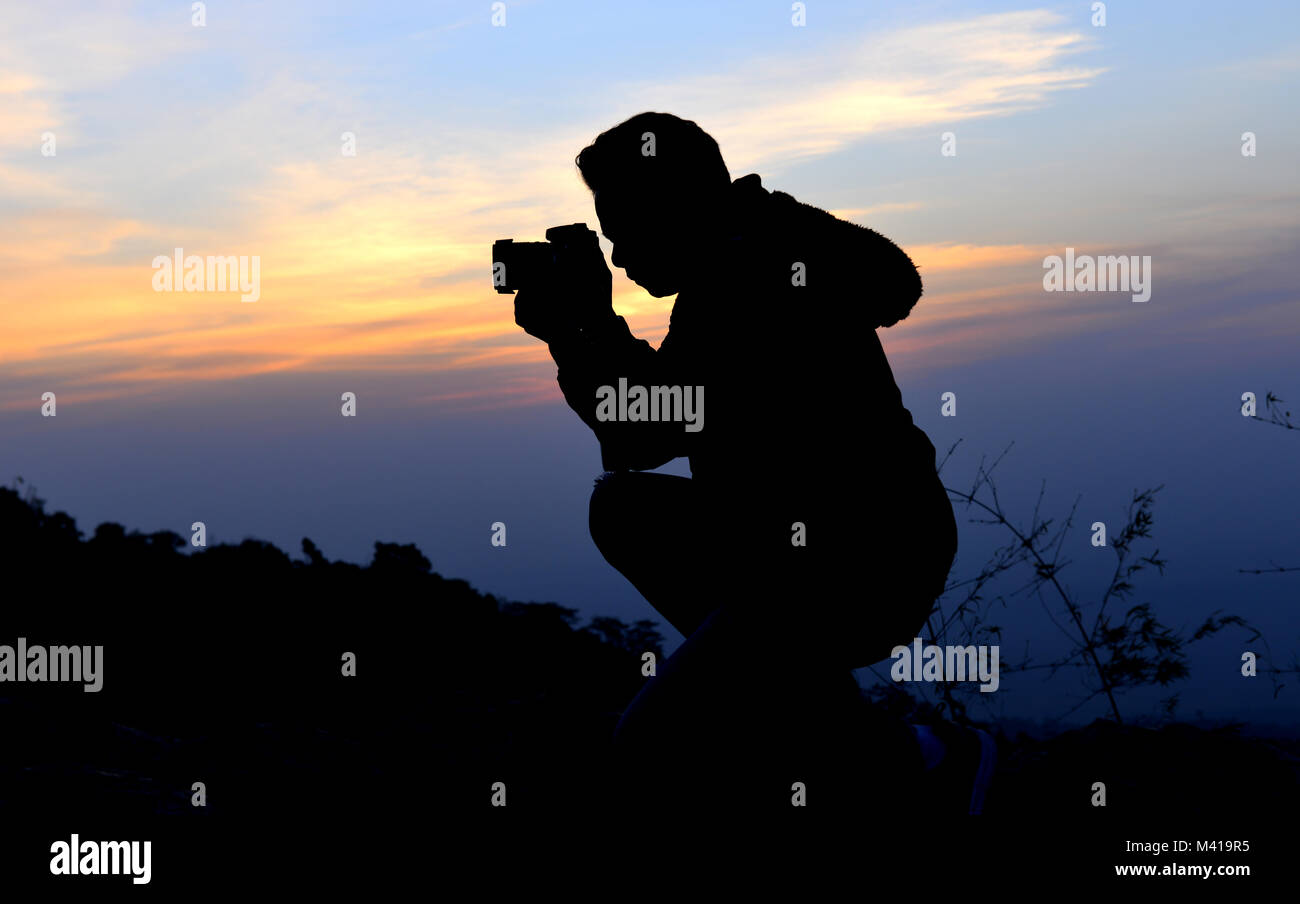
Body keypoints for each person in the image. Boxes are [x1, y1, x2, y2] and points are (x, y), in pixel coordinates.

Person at [514, 111, 990, 817]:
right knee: (624, 509)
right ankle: (782, 686)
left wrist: (581, 332)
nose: (618, 260)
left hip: (855, 561)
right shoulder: (751, 251)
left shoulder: (743, 272)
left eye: (624, 234)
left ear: (673, 207)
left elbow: (649, 429)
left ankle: (928, 759)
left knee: (648, 746)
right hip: (804, 546)